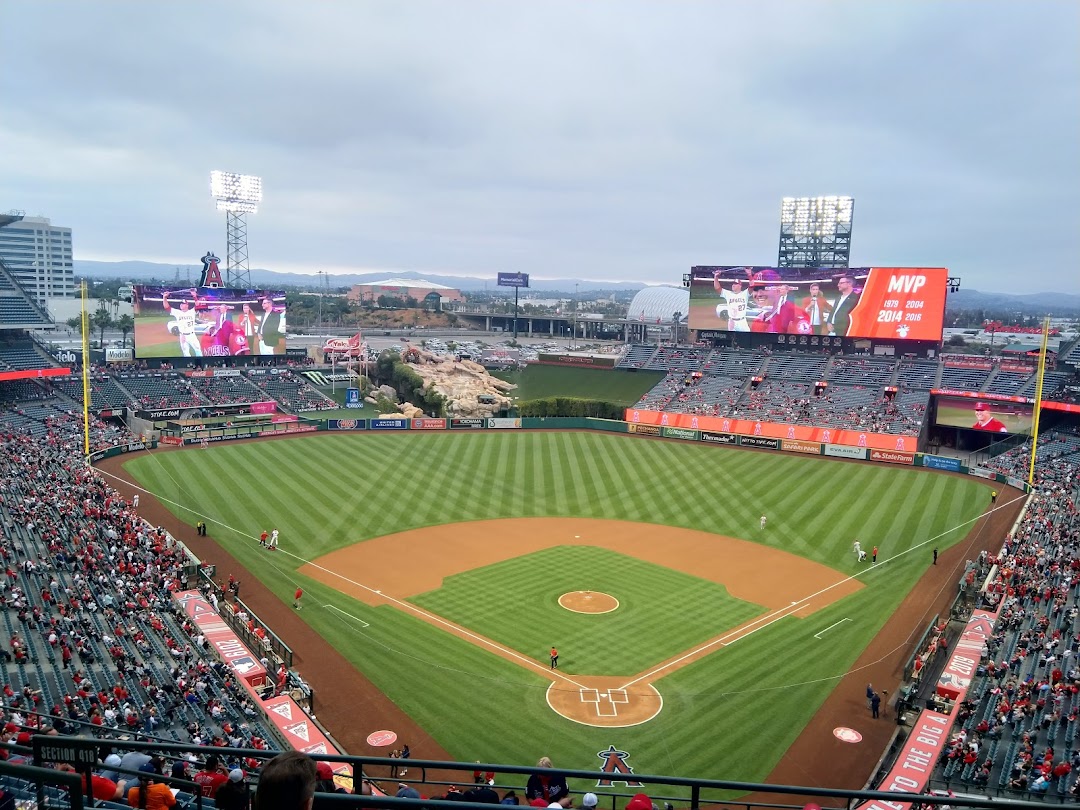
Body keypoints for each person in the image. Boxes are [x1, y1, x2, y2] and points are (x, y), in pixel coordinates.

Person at [748, 270, 812, 335]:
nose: (759, 294)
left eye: (764, 289)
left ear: (778, 290)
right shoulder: (758, 320)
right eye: (755, 289)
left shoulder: (795, 315)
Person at [162, 289, 207, 357]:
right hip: (182, 336)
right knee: (186, 353)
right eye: (181, 304)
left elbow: (198, 305)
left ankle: (200, 365)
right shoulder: (177, 312)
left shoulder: (191, 312)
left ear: (187, 305)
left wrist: (194, 296)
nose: (181, 305)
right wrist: (164, 298)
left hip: (192, 335)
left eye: (183, 304)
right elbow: (167, 307)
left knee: (198, 351)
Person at [712, 268, 753, 332]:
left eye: (735, 284)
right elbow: (717, 288)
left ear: (740, 286)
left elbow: (752, 286)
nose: (733, 285)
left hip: (742, 322)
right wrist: (716, 277)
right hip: (731, 321)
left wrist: (749, 274)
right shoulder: (728, 294)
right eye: (733, 284)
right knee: (732, 339)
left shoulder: (745, 293)